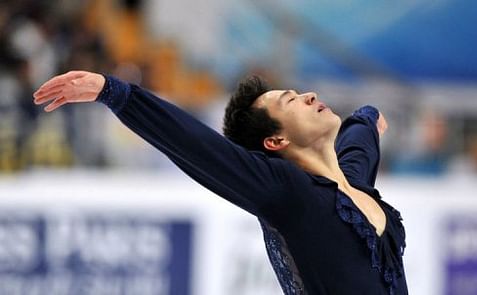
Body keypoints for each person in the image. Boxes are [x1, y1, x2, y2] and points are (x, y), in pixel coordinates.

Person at [33, 71, 408, 295]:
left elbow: (359, 146)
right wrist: (115, 92)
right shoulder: (287, 192)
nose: (310, 95)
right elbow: (199, 146)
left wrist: (367, 117)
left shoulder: (354, 186)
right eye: (291, 101)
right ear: (276, 142)